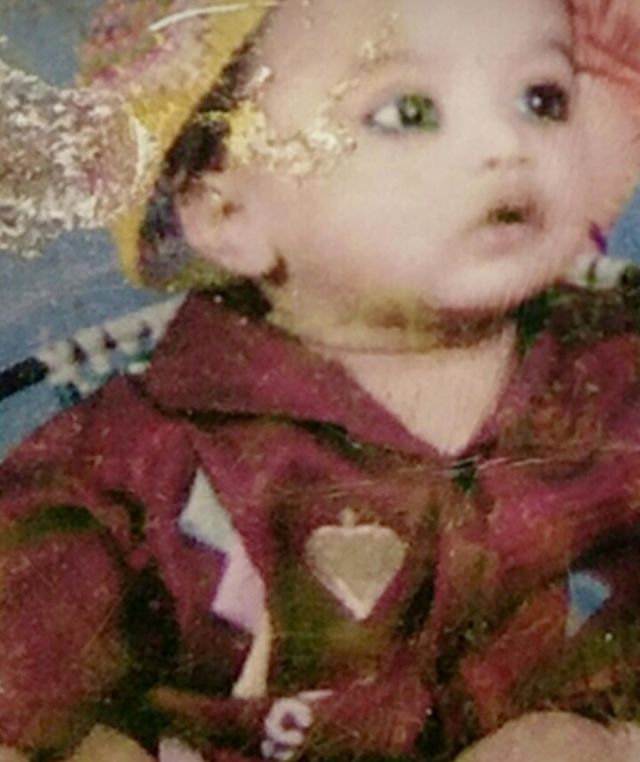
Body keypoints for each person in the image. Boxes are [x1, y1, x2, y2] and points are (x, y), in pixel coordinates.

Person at [3, 0, 640, 760]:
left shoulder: (617, 369)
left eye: (543, 100)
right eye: (407, 112)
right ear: (225, 210)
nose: (510, 144)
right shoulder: (134, 461)